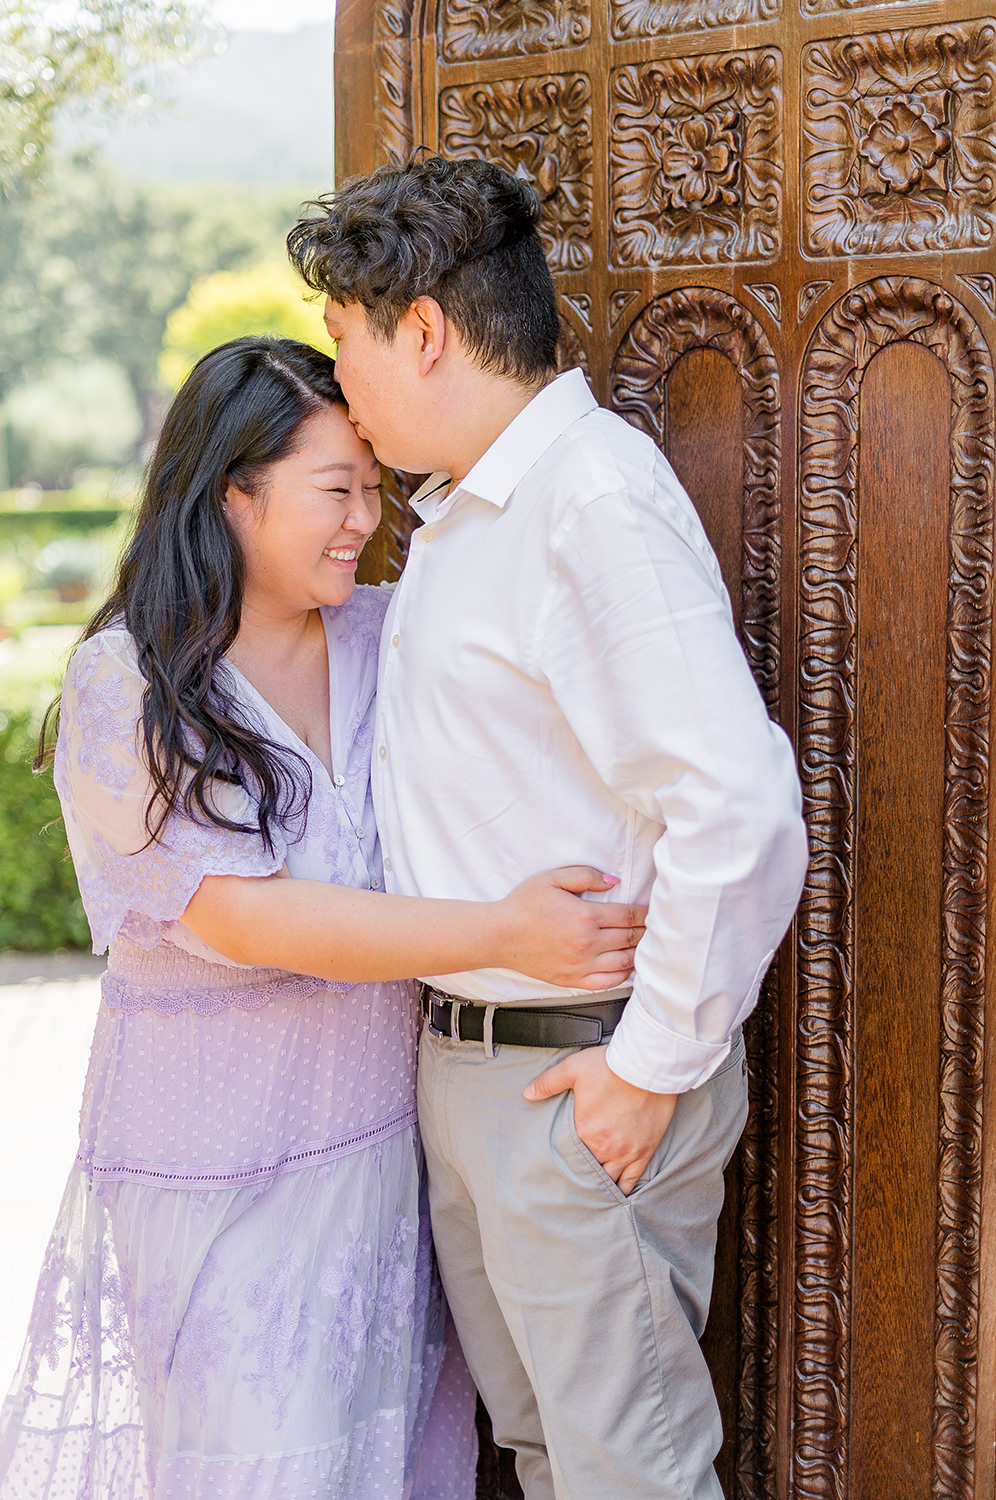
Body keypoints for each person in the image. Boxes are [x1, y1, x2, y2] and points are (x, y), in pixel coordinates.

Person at [0, 337, 645, 1500]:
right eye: (334, 488)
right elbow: (249, 920)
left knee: (382, 1460)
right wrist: (500, 931)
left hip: (377, 1151)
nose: (364, 518)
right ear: (232, 492)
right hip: (215, 1170)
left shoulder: (388, 633)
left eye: (373, 485)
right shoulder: (127, 684)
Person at [287, 155, 810, 1500]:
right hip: (478, 1073)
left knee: (623, 1473)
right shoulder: (470, 512)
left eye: (345, 343)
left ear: (423, 331)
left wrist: (651, 1065)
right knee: (544, 1457)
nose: (338, 381)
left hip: (576, 1080)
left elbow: (736, 804)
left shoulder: (591, 497)